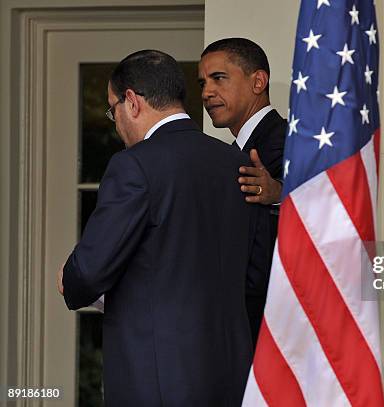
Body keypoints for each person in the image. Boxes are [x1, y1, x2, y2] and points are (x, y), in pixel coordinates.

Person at [57, 50, 268, 406]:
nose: (116, 122)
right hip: (231, 376)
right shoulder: (237, 163)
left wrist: (72, 279)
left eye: (113, 111)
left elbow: (90, 272)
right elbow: (254, 276)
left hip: (156, 378)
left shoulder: (133, 166)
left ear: (132, 102)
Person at [198, 38, 287, 345]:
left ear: (258, 81)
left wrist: (279, 192)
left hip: (274, 333)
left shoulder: (291, 141)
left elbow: (329, 207)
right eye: (203, 83)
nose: (206, 93)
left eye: (218, 78)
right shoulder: (232, 154)